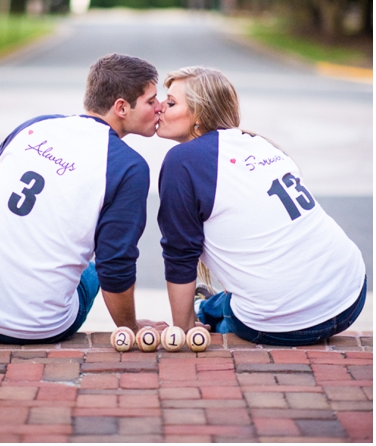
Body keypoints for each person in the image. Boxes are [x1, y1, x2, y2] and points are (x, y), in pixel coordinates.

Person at [0, 53, 166, 343]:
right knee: (92, 270)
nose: (160, 108)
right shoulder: (129, 166)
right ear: (121, 107)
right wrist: (131, 329)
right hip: (36, 327)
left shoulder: (37, 126)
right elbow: (115, 265)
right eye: (152, 101)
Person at [156, 66, 367, 345]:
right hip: (351, 294)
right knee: (244, 292)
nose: (159, 107)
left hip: (285, 323)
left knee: (226, 310)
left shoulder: (181, 160)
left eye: (170, 102)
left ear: (199, 115)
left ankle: (203, 309)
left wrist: (184, 328)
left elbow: (179, 253)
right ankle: (210, 304)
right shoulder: (260, 143)